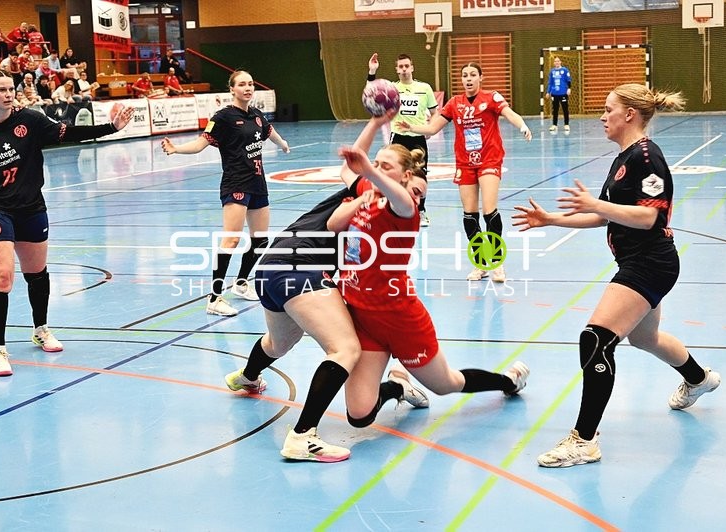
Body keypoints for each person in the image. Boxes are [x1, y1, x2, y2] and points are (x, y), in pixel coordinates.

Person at [511, 83, 721, 468]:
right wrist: (552, 219)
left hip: (650, 262)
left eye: (609, 109)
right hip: (639, 261)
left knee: (595, 339)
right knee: (646, 338)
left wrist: (595, 202)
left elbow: (649, 216)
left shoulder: (647, 157)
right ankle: (699, 379)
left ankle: (584, 440)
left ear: (630, 115)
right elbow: (607, 213)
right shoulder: (624, 156)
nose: (602, 116)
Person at [325, 144, 529, 458]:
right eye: (376, 163)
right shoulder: (367, 193)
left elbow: (397, 195)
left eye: (386, 166)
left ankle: (508, 380)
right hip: (365, 319)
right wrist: (369, 142)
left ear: (405, 176)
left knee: (446, 384)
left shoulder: (405, 209)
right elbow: (344, 184)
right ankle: (398, 385)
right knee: (359, 415)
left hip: (401, 319)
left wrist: (368, 169)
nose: (377, 168)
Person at [222, 114, 394, 462]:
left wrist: (377, 123)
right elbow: (356, 162)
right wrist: (376, 125)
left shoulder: (370, 191)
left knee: (280, 341)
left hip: (271, 268)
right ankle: (303, 436)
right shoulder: (370, 190)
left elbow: (354, 164)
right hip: (301, 267)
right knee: (345, 348)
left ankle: (247, 377)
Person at [0, 69, 135, 377]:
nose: (9, 94)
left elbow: (70, 132)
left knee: (36, 273)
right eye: (2, 90)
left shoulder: (30, 120)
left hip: (31, 207)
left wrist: (111, 127)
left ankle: (41, 328)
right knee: (2, 276)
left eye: (12, 89)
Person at [161, 69, 289, 315]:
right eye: (242, 84)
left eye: (251, 84)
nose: (248, 88)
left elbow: (269, 131)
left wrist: (282, 144)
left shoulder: (256, 114)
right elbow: (200, 144)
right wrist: (176, 149)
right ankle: (215, 298)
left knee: (260, 240)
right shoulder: (223, 117)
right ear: (232, 89)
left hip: (258, 183)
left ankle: (241, 283)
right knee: (230, 239)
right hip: (236, 183)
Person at [398, 62, 532, 283]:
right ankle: (480, 263)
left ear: (481, 77)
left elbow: (510, 113)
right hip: (465, 162)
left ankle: (497, 263)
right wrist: (410, 127)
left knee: (490, 211)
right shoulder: (454, 103)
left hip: (489, 159)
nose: (468, 79)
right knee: (470, 215)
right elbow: (432, 128)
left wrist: (522, 126)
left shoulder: (491, 98)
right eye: (464, 76)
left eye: (472, 75)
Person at [367, 52, 438, 227]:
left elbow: (436, 113)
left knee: (420, 175)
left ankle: (421, 210)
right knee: (392, 174)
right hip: (398, 138)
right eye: (401, 67)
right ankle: (391, 209)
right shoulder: (392, 89)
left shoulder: (425, 88)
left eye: (407, 66)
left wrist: (430, 129)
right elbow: (371, 93)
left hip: (418, 139)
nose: (404, 69)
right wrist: (372, 71)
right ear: (397, 70)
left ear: (412, 67)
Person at [546, 56, 571, 133]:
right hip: (554, 93)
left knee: (565, 109)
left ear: (560, 62)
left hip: (563, 93)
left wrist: (569, 88)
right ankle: (554, 125)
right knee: (555, 110)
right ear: (554, 63)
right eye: (555, 61)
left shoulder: (565, 70)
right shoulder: (552, 72)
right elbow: (550, 83)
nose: (557, 62)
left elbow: (568, 80)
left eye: (558, 61)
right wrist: (548, 92)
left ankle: (566, 124)